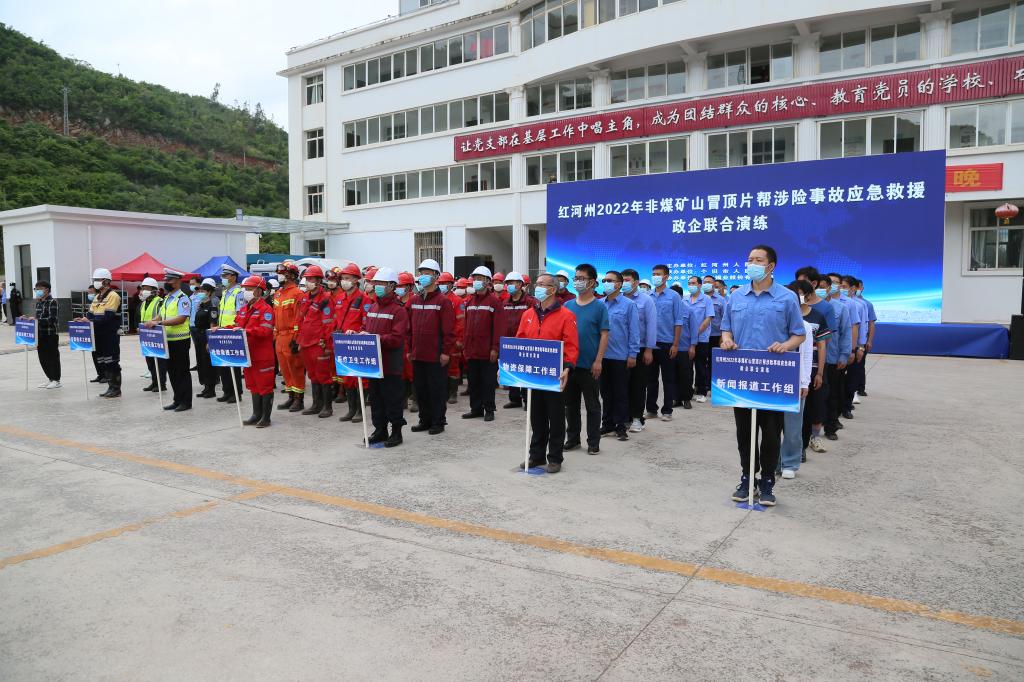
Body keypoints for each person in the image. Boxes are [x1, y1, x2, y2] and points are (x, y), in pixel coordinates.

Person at [720, 245, 806, 507]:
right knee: (744, 431)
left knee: (770, 432)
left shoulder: (787, 297)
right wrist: (726, 340)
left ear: (771, 266)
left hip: (774, 374)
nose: (752, 264)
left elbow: (799, 334)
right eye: (749, 260)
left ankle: (767, 480)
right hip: (742, 372)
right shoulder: (736, 296)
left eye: (758, 260)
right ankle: (747, 477)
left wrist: (785, 345)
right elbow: (726, 328)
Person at [515, 273, 578, 473]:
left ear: (553, 289)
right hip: (532, 374)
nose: (538, 287)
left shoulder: (566, 315)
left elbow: (571, 345)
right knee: (536, 416)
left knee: (556, 417)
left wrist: (567, 367)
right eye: (537, 283)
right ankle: (536, 455)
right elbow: (519, 341)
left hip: (554, 374)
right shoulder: (528, 314)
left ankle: (555, 458)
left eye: (542, 284)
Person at [779, 280, 831, 479]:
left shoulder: (806, 326)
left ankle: (790, 462)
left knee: (793, 424)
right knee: (772, 425)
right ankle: (773, 461)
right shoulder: (775, 320)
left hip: (795, 378)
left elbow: (807, 355)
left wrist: (804, 382)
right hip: (773, 378)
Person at [360, 267, 410, 448]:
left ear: (392, 286)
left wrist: (374, 339)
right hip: (374, 364)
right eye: (376, 283)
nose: (377, 286)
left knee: (392, 399)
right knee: (376, 399)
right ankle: (380, 430)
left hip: (390, 364)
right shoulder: (374, 306)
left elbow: (397, 338)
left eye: (381, 283)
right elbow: (367, 328)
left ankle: (396, 431)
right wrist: (359, 334)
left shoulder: (399, 310)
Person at [564, 264, 610, 455]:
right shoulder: (567, 306)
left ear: (592, 282)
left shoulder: (599, 306)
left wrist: (598, 360)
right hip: (570, 365)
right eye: (576, 278)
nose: (577, 282)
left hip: (590, 365)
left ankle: (593, 442)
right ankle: (573, 439)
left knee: (592, 406)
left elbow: (604, 335)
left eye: (581, 278)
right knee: (570, 405)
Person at [408, 258, 455, 436]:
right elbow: (409, 328)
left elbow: (449, 331)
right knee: (421, 389)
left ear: (436, 276)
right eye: (421, 273)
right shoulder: (414, 300)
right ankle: (424, 420)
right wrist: (409, 349)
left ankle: (438, 421)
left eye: (427, 273)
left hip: (435, 355)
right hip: (418, 353)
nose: (423, 276)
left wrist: (446, 352)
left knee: (436, 389)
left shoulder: (443, 301)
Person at [231, 276, 276, 428]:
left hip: (262, 356)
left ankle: (266, 418)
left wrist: (246, 331)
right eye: (245, 289)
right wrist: (221, 330)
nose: (246, 292)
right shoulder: (244, 309)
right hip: (248, 355)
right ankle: (256, 414)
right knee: (253, 386)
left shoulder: (266, 309)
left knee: (265, 386)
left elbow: (265, 331)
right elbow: (237, 326)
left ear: (259, 291)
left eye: (249, 289)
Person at [462, 266, 505, 422]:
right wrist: (465, 346)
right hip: (472, 350)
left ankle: (489, 409)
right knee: (473, 381)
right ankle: (476, 409)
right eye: (475, 278)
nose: (476, 281)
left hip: (487, 352)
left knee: (488, 382)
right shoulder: (469, 302)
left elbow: (499, 327)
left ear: (487, 282)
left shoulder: (494, 302)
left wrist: (495, 348)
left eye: (480, 279)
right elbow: (466, 326)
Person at [599, 271, 638, 441]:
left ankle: (621, 426)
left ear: (619, 284)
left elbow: (634, 331)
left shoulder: (629, 305)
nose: (606, 283)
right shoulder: (599, 304)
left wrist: (633, 354)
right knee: (605, 392)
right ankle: (607, 424)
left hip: (621, 356)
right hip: (602, 356)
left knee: (621, 393)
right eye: (604, 280)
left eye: (610, 280)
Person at [146, 269, 192, 412]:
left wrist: (159, 323)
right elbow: (161, 315)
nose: (166, 283)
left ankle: (186, 402)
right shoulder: (167, 298)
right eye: (166, 280)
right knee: (172, 372)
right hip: (168, 340)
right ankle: (177, 400)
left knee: (182, 372)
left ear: (177, 281)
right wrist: (151, 321)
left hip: (180, 340)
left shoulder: (183, 298)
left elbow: (181, 318)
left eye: (169, 280)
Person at [296, 265, 335, 418]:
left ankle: (327, 407)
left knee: (323, 375)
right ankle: (316, 404)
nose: (308, 282)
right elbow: (301, 321)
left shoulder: (325, 299)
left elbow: (328, 323)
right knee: (312, 375)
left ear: (319, 281)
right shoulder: (305, 297)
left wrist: (326, 343)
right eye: (307, 279)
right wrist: (299, 340)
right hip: (306, 343)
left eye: (311, 279)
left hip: (318, 343)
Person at [646, 264, 685, 421]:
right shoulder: (648, 296)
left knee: (668, 379)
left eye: (658, 274)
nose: (655, 276)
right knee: (650, 379)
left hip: (667, 343)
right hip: (650, 343)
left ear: (666, 277)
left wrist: (675, 344)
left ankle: (667, 410)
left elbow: (678, 321)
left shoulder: (674, 296)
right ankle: (651, 409)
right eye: (654, 274)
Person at [621, 269, 656, 433]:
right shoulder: (618, 299)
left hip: (640, 348)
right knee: (622, 385)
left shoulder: (646, 300)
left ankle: (637, 418)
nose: (624, 283)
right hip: (620, 349)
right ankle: (625, 417)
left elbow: (651, 326)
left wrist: (649, 349)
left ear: (636, 282)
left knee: (638, 384)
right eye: (622, 280)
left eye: (627, 280)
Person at [333, 262, 367, 423]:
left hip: (357, 343)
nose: (344, 281)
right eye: (343, 278)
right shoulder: (339, 298)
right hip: (342, 342)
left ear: (355, 280)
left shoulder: (364, 299)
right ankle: (351, 409)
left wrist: (358, 333)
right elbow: (335, 320)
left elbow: (366, 323)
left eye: (347, 278)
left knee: (358, 378)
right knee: (347, 377)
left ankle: (360, 411)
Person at [821, 274, 852, 442]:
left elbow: (846, 333)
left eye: (824, 287)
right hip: (814, 360)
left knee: (832, 395)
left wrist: (844, 355)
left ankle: (831, 426)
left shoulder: (840, 308)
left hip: (832, 358)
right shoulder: (807, 307)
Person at [272, 261, 307, 412]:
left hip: (291, 336)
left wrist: (296, 339)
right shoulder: (278, 293)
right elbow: (275, 316)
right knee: (285, 369)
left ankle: (299, 400)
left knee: (295, 368)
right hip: (279, 337)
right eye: (279, 273)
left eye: (282, 273)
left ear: (291, 275)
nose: (279, 276)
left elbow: (300, 318)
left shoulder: (297, 294)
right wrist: (275, 335)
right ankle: (291, 396)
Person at [82, 268, 122, 397]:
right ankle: (110, 387)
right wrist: (83, 319)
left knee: (112, 361)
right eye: (95, 280)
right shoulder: (97, 297)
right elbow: (90, 314)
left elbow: (107, 317)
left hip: (109, 334)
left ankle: (116, 389)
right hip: (98, 334)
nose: (95, 282)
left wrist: (90, 320)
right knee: (103, 361)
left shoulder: (113, 296)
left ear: (106, 281)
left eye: (98, 280)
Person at [500, 271, 536, 409]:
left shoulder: (530, 302)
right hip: (509, 342)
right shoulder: (505, 303)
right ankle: (514, 399)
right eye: (508, 283)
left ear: (520, 284)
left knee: (525, 372)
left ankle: (527, 400)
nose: (509, 285)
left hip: (525, 342)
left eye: (512, 283)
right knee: (512, 370)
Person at [213, 265, 246, 404]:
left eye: (225, 276)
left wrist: (232, 328)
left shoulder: (238, 293)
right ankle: (227, 391)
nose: (223, 278)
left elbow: (240, 314)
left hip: (232, 332)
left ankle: (236, 393)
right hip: (221, 331)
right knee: (223, 363)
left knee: (233, 365)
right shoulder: (225, 292)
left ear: (233, 277)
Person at [27, 280, 62, 388]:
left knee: (52, 357)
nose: (37, 291)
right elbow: (37, 319)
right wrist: (28, 320)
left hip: (50, 334)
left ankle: (56, 380)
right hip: (40, 334)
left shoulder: (53, 302)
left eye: (39, 289)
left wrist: (37, 320)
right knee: (43, 358)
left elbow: (52, 319)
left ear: (47, 290)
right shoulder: (39, 302)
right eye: (36, 289)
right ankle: (50, 378)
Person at [685, 275, 715, 402]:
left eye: (693, 283)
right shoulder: (685, 299)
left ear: (699, 285)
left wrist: (696, 333)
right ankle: (688, 391)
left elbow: (708, 318)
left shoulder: (707, 300)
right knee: (687, 366)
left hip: (701, 339)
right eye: (689, 283)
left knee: (700, 365)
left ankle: (702, 391)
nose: (691, 285)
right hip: (686, 339)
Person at [138, 277, 167, 393]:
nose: (143, 290)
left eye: (147, 288)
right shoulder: (143, 303)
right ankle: (154, 382)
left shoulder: (160, 302)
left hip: (157, 334)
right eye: (143, 288)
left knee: (159, 361)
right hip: (146, 335)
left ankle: (161, 384)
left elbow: (163, 317)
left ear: (154, 290)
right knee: (149, 360)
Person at [438, 271, 463, 404]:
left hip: (453, 340)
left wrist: (458, 339)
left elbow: (460, 322)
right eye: (440, 283)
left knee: (453, 367)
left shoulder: (457, 301)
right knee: (440, 367)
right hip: (439, 339)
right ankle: (444, 391)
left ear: (451, 285)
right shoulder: (437, 300)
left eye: (445, 283)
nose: (442, 285)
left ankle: (453, 393)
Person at [191, 278, 219, 399]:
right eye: (200, 291)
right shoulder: (201, 305)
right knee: (201, 362)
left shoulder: (212, 306)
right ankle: (205, 387)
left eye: (203, 291)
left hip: (206, 336)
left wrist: (210, 341)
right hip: (198, 336)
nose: (200, 293)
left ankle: (211, 389)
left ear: (209, 292)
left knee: (208, 363)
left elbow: (213, 324)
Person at [857, 280, 877, 397]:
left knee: (860, 365)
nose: (857, 290)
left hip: (862, 340)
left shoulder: (867, 304)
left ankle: (860, 388)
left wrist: (869, 340)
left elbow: (871, 324)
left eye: (859, 287)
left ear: (862, 288)